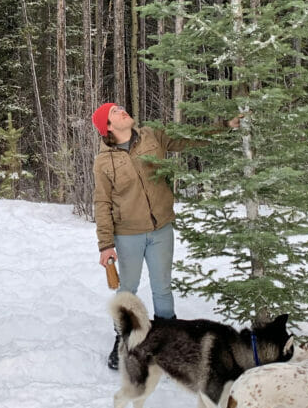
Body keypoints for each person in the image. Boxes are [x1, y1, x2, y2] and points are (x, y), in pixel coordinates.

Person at [92, 102, 238, 370]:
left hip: (161, 229)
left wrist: (225, 127)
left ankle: (169, 342)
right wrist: (106, 244)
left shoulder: (151, 135)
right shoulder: (104, 162)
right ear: (108, 127)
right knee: (128, 289)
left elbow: (187, 138)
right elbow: (102, 203)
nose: (122, 110)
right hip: (128, 234)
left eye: (120, 107)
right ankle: (123, 339)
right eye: (115, 112)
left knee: (162, 288)